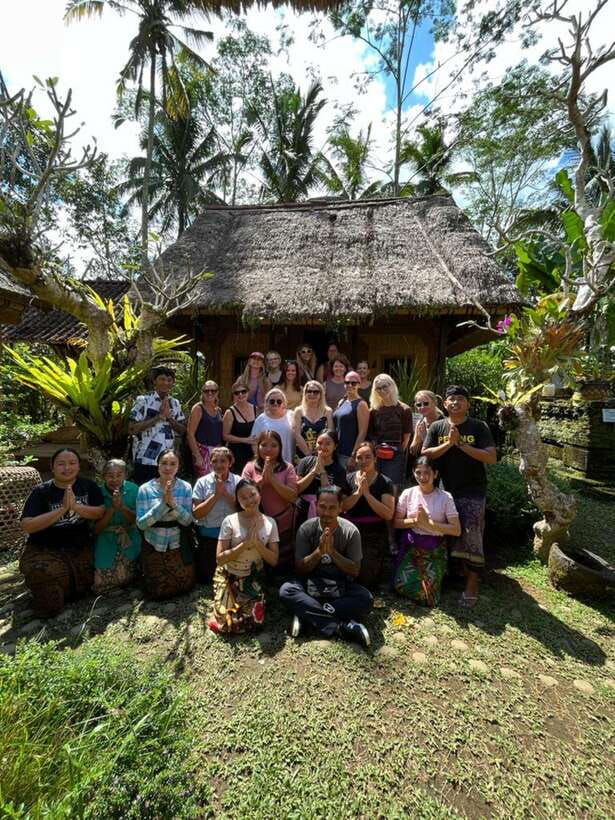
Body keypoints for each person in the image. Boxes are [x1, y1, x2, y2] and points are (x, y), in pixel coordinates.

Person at [422, 385, 497, 608]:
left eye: (460, 399)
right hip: (445, 490)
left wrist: (461, 444)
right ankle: (451, 575)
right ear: (444, 404)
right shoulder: (437, 426)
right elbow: (426, 453)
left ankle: (472, 584)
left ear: (468, 404)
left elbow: (491, 457)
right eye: (451, 399)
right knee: (445, 534)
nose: (455, 403)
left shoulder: (479, 426)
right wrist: (449, 443)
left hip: (473, 490)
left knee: (472, 535)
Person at [279, 486, 373, 648]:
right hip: (311, 584)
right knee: (286, 590)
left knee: (366, 599)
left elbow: (355, 571)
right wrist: (319, 552)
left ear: (340, 508)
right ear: (316, 505)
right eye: (322, 507)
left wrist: (333, 552)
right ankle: (340, 627)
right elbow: (300, 569)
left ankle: (307, 615)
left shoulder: (351, 532)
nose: (327, 513)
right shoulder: (306, 529)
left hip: (340, 586)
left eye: (332, 508)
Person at [20, 448, 105, 617]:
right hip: (45, 549)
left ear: (79, 466)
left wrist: (76, 507)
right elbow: (27, 525)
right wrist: (63, 509)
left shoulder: (88, 486)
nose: (67, 468)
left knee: (88, 586)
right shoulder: (41, 491)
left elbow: (100, 512)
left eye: (72, 463)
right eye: (61, 464)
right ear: (52, 467)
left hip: (79, 547)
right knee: (49, 599)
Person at [210, 478, 279, 634]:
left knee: (254, 622)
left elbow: (274, 560)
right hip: (230, 576)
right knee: (228, 624)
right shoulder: (230, 520)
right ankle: (222, 601)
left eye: (252, 495)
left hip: (253, 579)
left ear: (259, 494)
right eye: (243, 498)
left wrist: (257, 545)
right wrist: (243, 545)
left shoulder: (270, 523)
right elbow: (219, 558)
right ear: (238, 501)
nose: (249, 500)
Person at [393, 456, 460, 606]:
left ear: (435, 474)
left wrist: (429, 524)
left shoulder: (445, 497)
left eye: (427, 473)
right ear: (413, 473)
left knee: (428, 597)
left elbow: (456, 530)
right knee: (399, 586)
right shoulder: (408, 493)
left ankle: (436, 579)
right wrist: (416, 521)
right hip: (413, 549)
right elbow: (396, 523)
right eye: (418, 472)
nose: (422, 477)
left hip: (434, 551)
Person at [136, 449, 195, 600]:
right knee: (157, 591)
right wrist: (163, 505)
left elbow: (188, 520)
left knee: (185, 585)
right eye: (164, 463)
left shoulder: (185, 487)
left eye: (173, 464)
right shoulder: (145, 489)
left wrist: (173, 505)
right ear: (157, 466)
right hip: (154, 541)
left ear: (178, 467)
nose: (168, 468)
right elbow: (141, 524)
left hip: (177, 541)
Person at [343, 441, 395, 589]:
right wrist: (358, 492)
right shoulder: (348, 479)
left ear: (375, 458)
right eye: (360, 457)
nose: (364, 461)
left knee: (365, 579)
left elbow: (388, 514)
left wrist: (366, 493)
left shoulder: (385, 482)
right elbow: (343, 506)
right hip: (350, 530)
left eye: (368, 457)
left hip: (374, 534)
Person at [242, 430, 298, 568]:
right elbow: (244, 496)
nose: (268, 449)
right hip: (257, 523)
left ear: (280, 448)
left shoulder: (288, 468)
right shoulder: (250, 467)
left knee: (282, 560)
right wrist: (262, 480)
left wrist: (272, 479)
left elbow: (292, 496)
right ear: (258, 446)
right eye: (264, 445)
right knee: (260, 558)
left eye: (274, 445)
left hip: (283, 520)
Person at [129, 366, 186, 486]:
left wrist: (169, 418)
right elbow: (132, 429)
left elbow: (182, 430)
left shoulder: (175, 403)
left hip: (167, 462)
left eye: (169, 380)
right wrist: (158, 417)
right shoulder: (143, 400)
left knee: (166, 496)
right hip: (145, 459)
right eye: (162, 379)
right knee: (144, 496)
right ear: (154, 381)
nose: (166, 382)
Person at [192, 447, 240, 584]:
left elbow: (243, 509)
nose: (218, 465)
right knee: (208, 579)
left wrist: (225, 493)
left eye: (223, 461)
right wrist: (216, 495)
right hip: (209, 536)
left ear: (230, 463)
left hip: (232, 537)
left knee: (232, 578)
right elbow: (197, 513)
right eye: (214, 461)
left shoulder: (238, 481)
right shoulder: (202, 482)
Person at [94, 459, 140, 593]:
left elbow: (138, 520)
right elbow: (96, 528)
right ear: (103, 476)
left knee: (136, 572)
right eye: (110, 475)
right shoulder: (97, 492)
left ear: (125, 475)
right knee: (101, 582)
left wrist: (122, 507)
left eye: (119, 475)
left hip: (130, 534)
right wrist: (113, 509)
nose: (114, 479)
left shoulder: (134, 489)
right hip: (106, 537)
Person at [295, 430, 350, 527]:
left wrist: (322, 472)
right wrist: (314, 471)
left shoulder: (339, 470)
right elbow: (297, 489)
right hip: (303, 510)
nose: (323, 447)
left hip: (326, 512)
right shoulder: (305, 461)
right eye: (320, 443)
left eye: (328, 444)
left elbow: (331, 495)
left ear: (335, 446)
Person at [368, 373, 413, 490]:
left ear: (392, 386)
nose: (382, 390)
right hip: (377, 454)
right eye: (378, 388)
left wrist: (399, 452)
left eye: (385, 386)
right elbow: (371, 433)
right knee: (375, 486)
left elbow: (407, 436)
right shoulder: (373, 411)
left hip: (395, 455)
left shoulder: (404, 409)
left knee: (392, 488)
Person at [186, 380, 224, 479]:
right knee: (205, 484)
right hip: (203, 452)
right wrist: (197, 456)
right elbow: (190, 434)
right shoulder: (198, 408)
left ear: (217, 392)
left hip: (217, 453)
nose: (210, 393)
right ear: (202, 392)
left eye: (213, 390)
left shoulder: (218, 410)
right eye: (206, 391)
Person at [332, 371, 370, 470]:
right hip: (337, 452)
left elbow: (363, 432)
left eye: (353, 383)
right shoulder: (342, 401)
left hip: (349, 454)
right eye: (347, 382)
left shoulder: (361, 404)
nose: (350, 385)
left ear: (359, 384)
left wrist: (353, 456)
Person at [251, 388, 295, 464]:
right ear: (266, 403)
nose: (275, 403)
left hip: (289, 460)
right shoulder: (261, 419)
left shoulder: (291, 415)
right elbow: (254, 442)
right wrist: (260, 459)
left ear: (284, 403)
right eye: (272, 401)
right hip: (267, 461)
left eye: (279, 401)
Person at [222, 379, 257, 474]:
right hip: (235, 454)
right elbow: (225, 436)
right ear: (233, 395)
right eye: (237, 393)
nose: (240, 394)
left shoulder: (255, 409)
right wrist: (245, 440)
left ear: (248, 393)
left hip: (252, 453)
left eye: (243, 391)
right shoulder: (229, 413)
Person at [293, 380, 334, 457]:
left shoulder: (328, 411)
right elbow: (296, 434)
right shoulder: (298, 411)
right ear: (305, 393)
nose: (312, 394)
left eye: (316, 392)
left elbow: (330, 435)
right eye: (309, 391)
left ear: (321, 394)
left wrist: (319, 453)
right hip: (302, 455)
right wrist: (308, 453)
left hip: (323, 454)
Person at [409, 390, 444, 456]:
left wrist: (425, 437)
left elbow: (442, 451)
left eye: (426, 403)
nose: (422, 407)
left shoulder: (444, 423)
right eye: (419, 405)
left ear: (435, 403)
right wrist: (417, 439)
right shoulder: (420, 422)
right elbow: (412, 451)